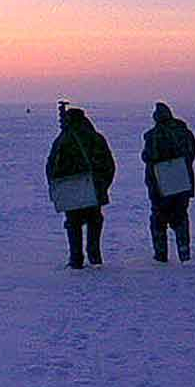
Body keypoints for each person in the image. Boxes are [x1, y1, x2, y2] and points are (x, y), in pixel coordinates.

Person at [46, 108, 116, 269]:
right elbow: (109, 165)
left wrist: (56, 188)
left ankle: (76, 259)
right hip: (93, 187)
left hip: (71, 189)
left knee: (73, 223)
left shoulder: (63, 139)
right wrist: (102, 186)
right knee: (94, 220)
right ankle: (95, 256)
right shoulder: (96, 138)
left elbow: (51, 166)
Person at [141, 102, 195, 263]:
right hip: (182, 182)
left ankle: (161, 254)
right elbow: (191, 154)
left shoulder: (152, 135)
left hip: (160, 184)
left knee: (159, 218)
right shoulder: (185, 133)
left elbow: (148, 156)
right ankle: (184, 251)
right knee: (181, 217)